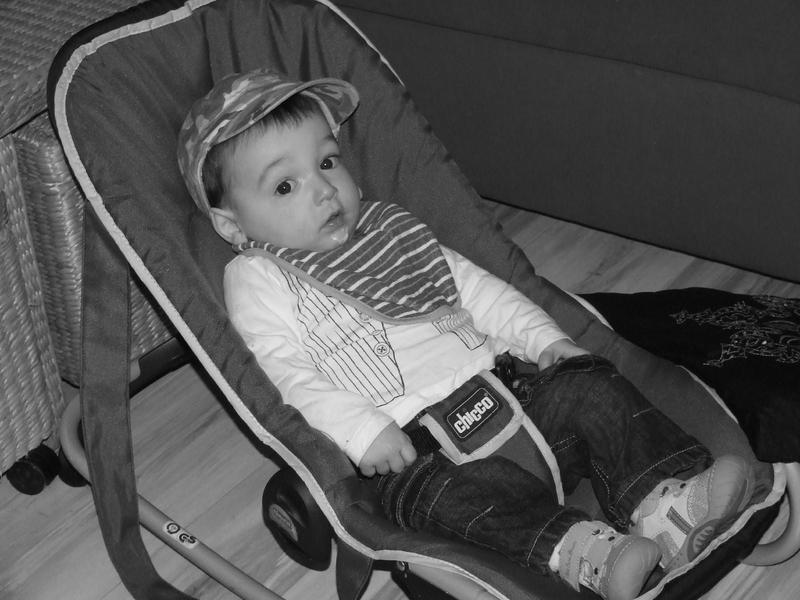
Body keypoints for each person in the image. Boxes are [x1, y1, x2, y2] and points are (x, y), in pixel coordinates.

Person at [177, 69, 754, 600]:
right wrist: (360, 431)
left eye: (327, 161)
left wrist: (543, 341)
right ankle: (585, 552)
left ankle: (666, 506)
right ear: (231, 225)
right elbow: (283, 375)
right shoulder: (259, 277)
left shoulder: (389, 232)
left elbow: (477, 291)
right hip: (415, 452)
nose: (324, 190)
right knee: (440, 503)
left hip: (512, 394)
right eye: (285, 186)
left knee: (591, 386)